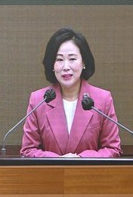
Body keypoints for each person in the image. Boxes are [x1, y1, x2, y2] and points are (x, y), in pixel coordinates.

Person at [20, 28, 121, 158]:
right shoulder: (39, 100)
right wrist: (58, 161)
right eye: (59, 60)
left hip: (89, 171)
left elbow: (112, 149)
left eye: (72, 59)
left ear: (84, 62)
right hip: (50, 171)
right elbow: (28, 150)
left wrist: (80, 159)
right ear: (52, 65)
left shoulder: (102, 99)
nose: (66, 67)